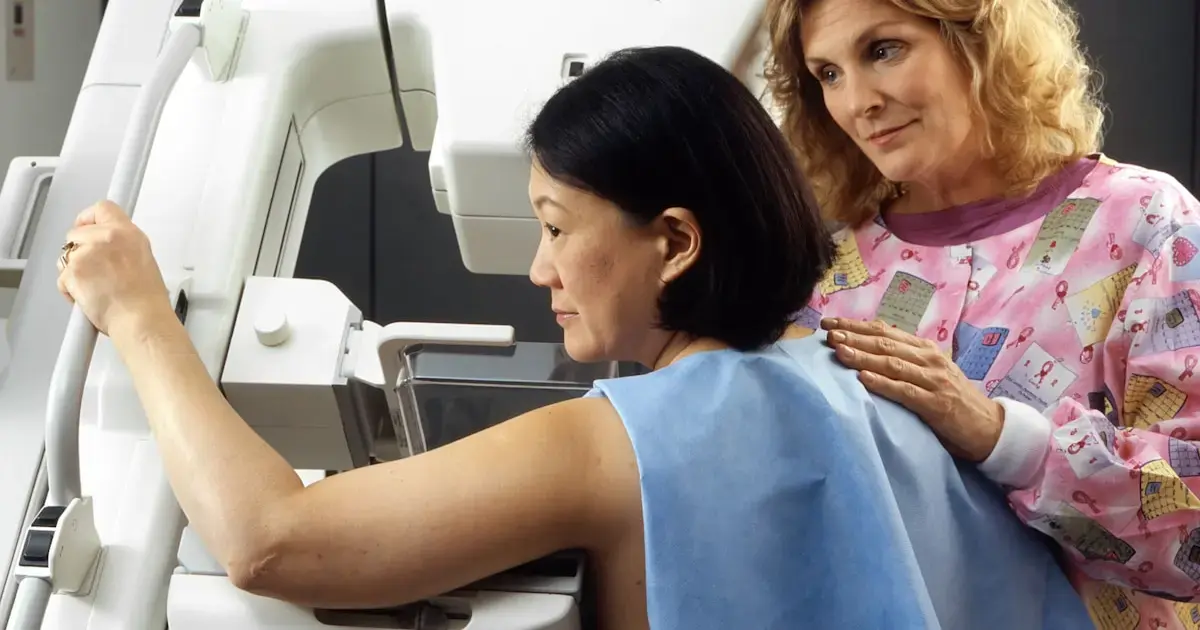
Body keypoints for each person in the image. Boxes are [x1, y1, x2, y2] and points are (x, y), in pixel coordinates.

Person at [52, 46, 1091, 629]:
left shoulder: (621, 441)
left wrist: (138, 312)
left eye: (555, 227)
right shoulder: (888, 397)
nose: (539, 269)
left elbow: (271, 542)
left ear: (674, 241)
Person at [759, 0, 1200, 625]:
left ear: (980, 43)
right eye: (827, 74)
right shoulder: (823, 279)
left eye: (882, 50)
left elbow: (1194, 544)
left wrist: (1002, 437)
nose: (857, 101)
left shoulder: (1151, 225)